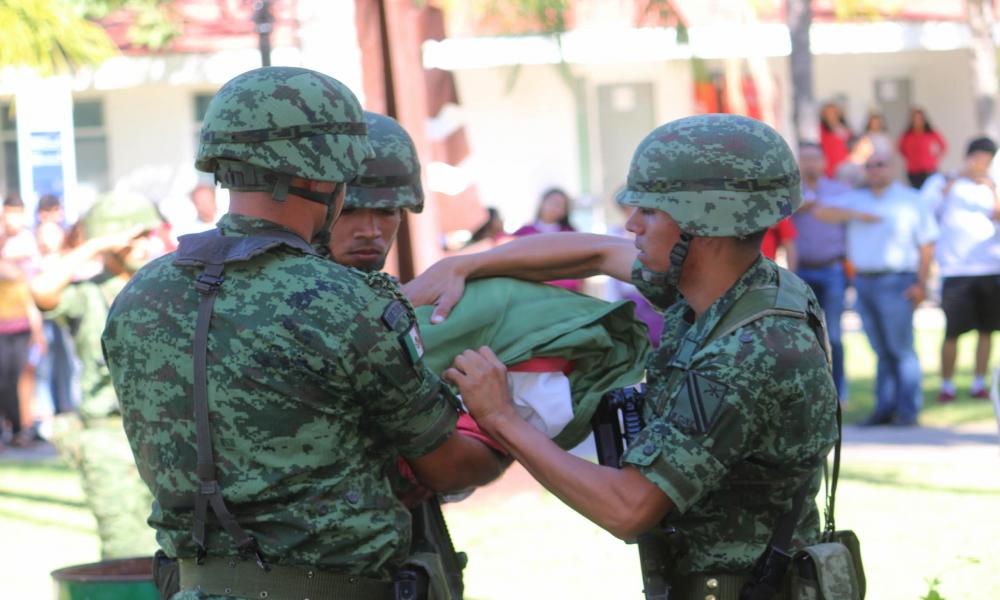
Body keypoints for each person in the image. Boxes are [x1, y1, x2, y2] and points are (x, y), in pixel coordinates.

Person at [101, 67, 501, 600]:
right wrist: (507, 419)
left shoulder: (139, 296)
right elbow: (450, 466)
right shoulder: (346, 303)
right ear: (325, 171)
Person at [406, 114, 839, 595]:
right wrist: (466, 265)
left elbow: (628, 509)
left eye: (650, 212)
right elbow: (594, 253)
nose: (631, 224)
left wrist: (502, 416)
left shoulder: (746, 355)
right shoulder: (741, 286)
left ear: (705, 224)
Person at [30, 192, 163, 557]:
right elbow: (41, 291)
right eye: (133, 236)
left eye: (146, 235)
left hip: (170, 434)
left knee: (184, 555)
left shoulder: (165, 286)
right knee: (128, 553)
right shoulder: (88, 294)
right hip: (111, 440)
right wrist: (94, 246)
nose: (142, 244)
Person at [815, 150, 938, 426]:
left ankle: (908, 410)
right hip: (864, 281)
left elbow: (927, 246)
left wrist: (922, 283)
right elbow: (820, 211)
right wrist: (857, 213)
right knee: (880, 350)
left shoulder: (910, 200)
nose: (874, 170)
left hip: (897, 280)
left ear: (893, 167)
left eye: (880, 165)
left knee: (901, 348)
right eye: (869, 166)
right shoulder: (858, 198)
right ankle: (885, 407)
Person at [921, 136, 1000, 402]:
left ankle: (980, 382)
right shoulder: (942, 181)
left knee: (987, 330)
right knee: (953, 331)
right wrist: (955, 179)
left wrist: (991, 187)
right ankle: (947, 385)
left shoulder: (991, 184)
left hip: (989, 267)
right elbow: (927, 209)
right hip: (955, 269)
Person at [793, 142, 852, 403]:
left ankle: (839, 392)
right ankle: (811, 394)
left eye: (814, 159)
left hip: (833, 270)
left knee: (835, 335)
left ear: (823, 162)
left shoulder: (839, 191)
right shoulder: (791, 195)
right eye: (804, 159)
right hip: (801, 272)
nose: (809, 164)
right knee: (804, 336)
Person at [512, 187, 582, 292]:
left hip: (564, 291)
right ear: (542, 203)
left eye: (561, 205)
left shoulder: (571, 233)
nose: (556, 207)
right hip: (531, 289)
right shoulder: (523, 233)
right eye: (553, 202)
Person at [898, 107, 947, 189]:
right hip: (913, 170)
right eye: (915, 118)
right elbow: (901, 148)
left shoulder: (930, 133)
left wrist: (935, 159)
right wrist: (909, 158)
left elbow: (943, 145)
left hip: (929, 169)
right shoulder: (907, 135)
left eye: (919, 118)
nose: (917, 121)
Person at [819, 102, 852, 178]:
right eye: (828, 112)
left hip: (844, 167)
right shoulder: (820, 129)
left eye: (833, 112)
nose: (831, 115)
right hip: (827, 168)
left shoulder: (844, 128)